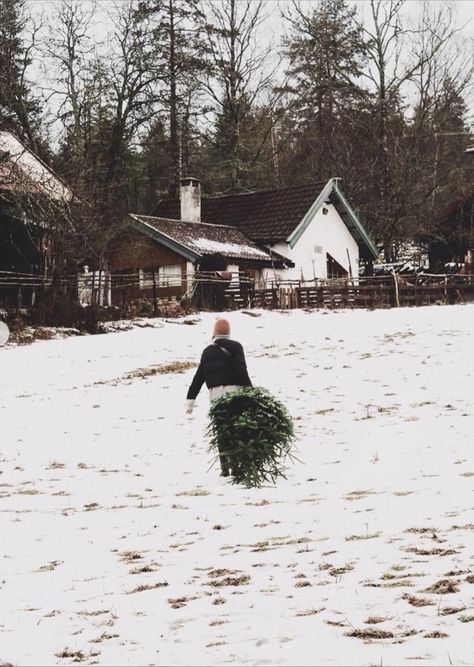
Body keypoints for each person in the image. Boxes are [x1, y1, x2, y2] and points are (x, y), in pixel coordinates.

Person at [186, 318, 252, 476]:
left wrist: (190, 401)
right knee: (236, 429)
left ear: (214, 333)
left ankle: (224, 469)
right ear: (229, 332)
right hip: (234, 393)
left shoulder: (207, 351)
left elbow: (198, 378)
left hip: (215, 395)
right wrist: (251, 392)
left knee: (222, 430)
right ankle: (236, 467)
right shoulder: (236, 347)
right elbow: (242, 371)